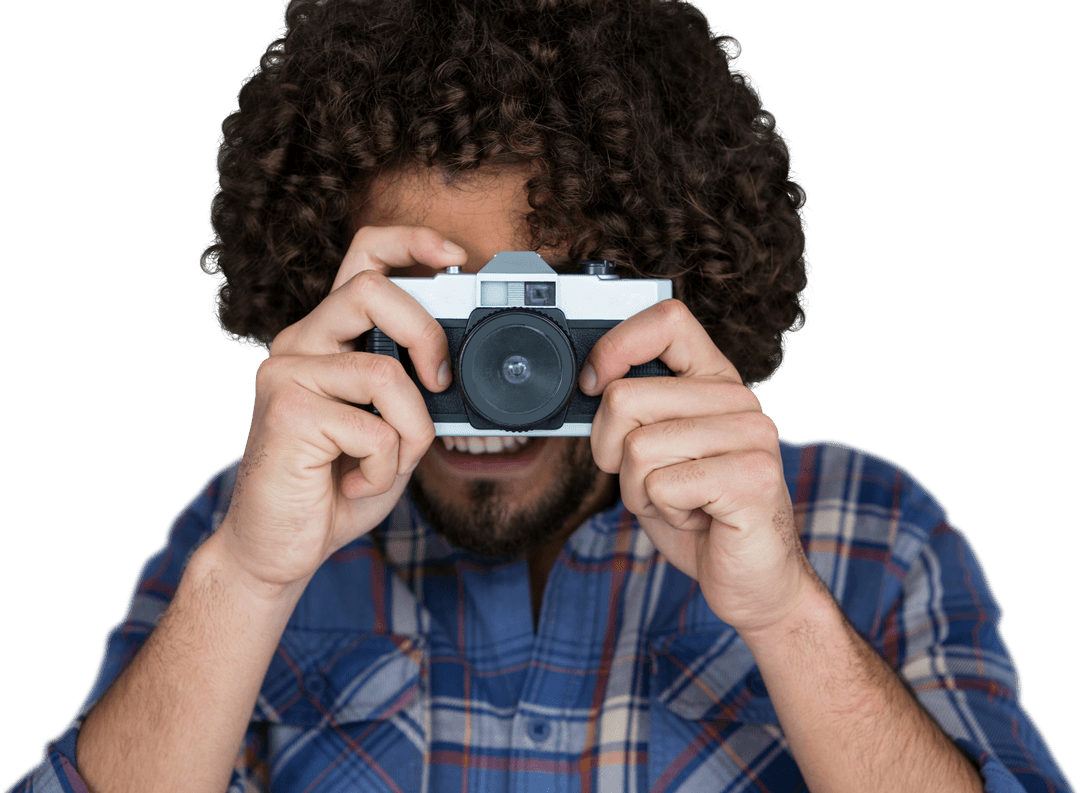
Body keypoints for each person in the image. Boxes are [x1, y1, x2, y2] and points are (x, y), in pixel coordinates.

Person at [7, 0, 1074, 790]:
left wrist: (787, 610)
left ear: (668, 287)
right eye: (439, 304)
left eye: (551, 308)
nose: (501, 369)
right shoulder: (251, 526)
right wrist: (244, 579)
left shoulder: (871, 531)